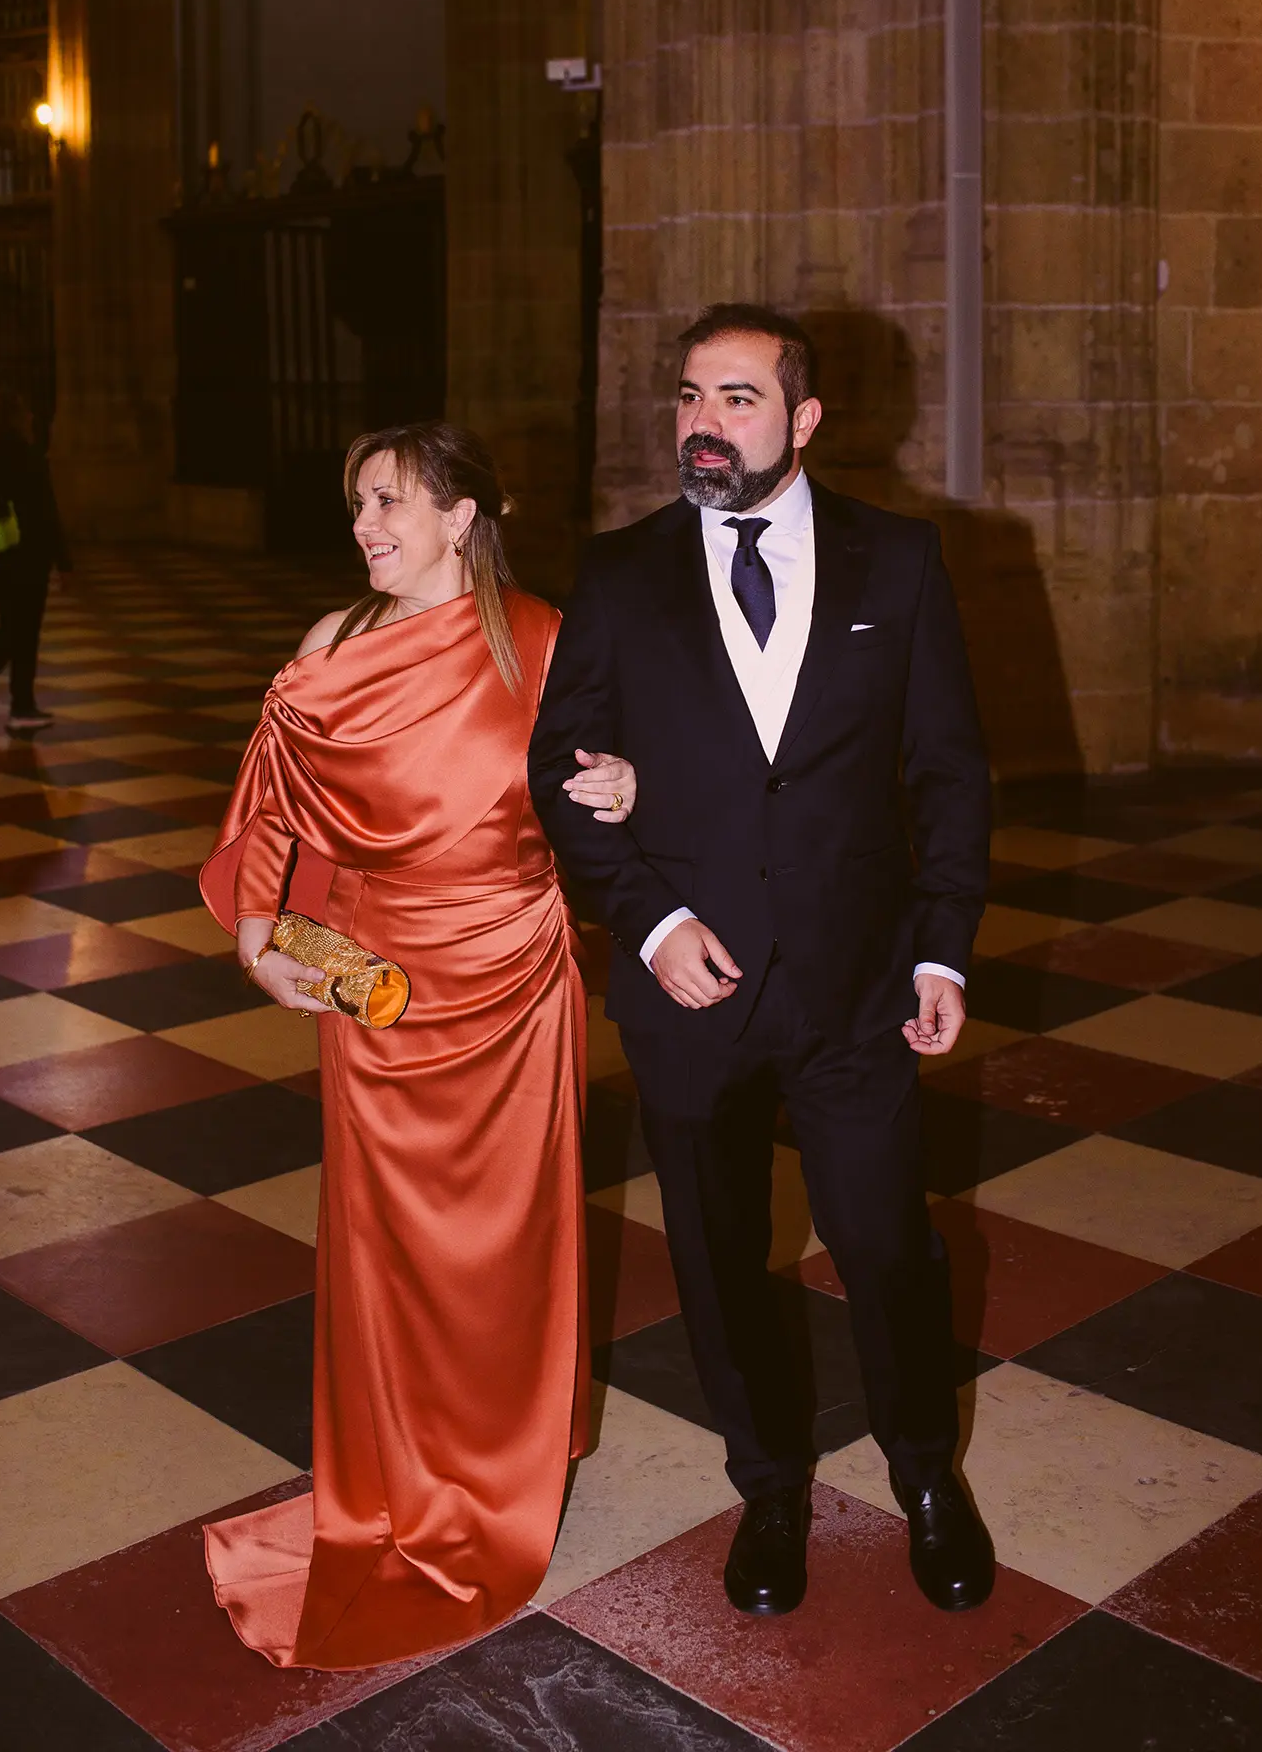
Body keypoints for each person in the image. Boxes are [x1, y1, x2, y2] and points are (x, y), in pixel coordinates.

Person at [529, 302, 995, 1620]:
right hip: (690, 989)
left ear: (802, 419)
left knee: (884, 1244)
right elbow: (561, 772)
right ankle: (769, 1485)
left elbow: (946, 774)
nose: (701, 423)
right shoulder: (619, 572)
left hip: (857, 984)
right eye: (688, 396)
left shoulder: (895, 561)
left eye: (735, 399)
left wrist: (942, 950)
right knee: (720, 1256)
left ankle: (924, 1474)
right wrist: (649, 920)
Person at [199, 420, 637, 1671]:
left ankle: (499, 1470)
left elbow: (619, 780)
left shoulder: (544, 640)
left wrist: (627, 784)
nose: (364, 524)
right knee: (386, 1252)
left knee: (505, 1245)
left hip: (514, 984)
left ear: (461, 516)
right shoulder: (332, 645)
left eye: (388, 500)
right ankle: (390, 1479)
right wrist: (258, 940)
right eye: (357, 503)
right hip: (379, 993)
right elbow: (271, 811)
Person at [0, 388, 69, 733]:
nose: (32, 417)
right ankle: (16, 704)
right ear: (17, 417)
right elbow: (46, 511)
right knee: (24, 628)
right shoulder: (27, 456)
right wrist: (63, 561)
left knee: (14, 625)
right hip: (27, 553)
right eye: (27, 412)